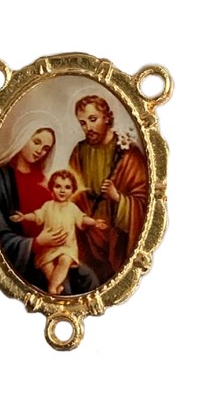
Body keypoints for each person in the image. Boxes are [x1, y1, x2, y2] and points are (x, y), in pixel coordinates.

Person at [0, 111, 99, 295]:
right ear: (23, 137)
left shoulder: (45, 182)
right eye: (36, 142)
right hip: (27, 259)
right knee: (64, 288)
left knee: (89, 278)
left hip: (56, 251)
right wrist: (36, 242)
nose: (40, 150)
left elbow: (59, 213)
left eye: (46, 148)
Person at [68, 95, 148, 284]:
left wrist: (118, 198)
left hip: (116, 236)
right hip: (85, 234)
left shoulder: (129, 154)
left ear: (107, 117)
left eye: (93, 119)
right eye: (83, 123)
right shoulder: (79, 152)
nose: (88, 127)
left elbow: (143, 201)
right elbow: (71, 193)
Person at [10, 170, 107, 294]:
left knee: (64, 260)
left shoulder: (72, 208)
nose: (62, 191)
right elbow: (36, 216)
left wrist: (94, 222)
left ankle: (52, 288)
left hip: (67, 248)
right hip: (49, 248)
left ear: (73, 190)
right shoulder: (48, 206)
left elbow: (82, 218)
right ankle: (57, 287)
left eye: (67, 187)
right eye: (58, 186)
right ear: (51, 188)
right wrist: (24, 217)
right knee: (46, 265)